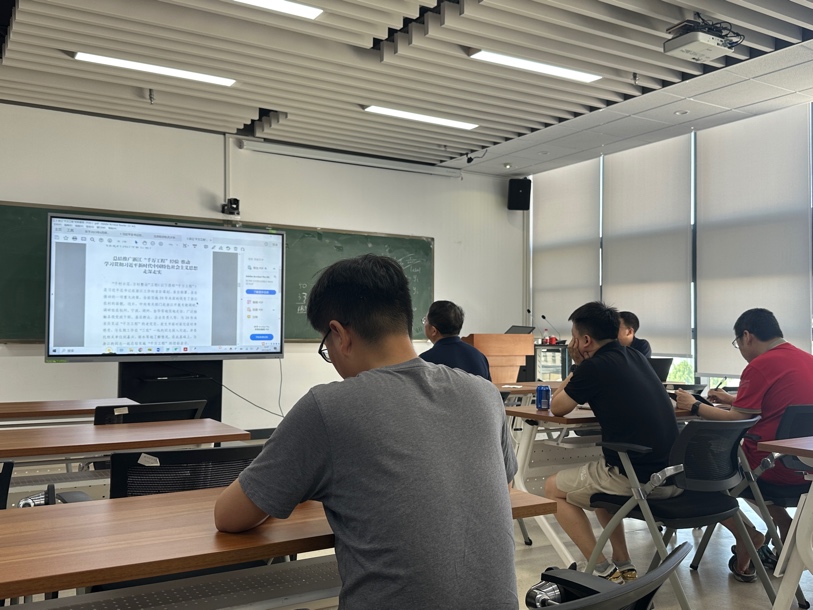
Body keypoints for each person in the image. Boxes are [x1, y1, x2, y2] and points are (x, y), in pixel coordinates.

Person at [214, 254, 518, 609]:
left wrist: (293, 485)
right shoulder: (484, 394)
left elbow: (228, 517)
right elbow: (499, 486)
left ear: (340, 334)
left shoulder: (328, 408)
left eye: (326, 346)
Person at [544, 302, 680, 583]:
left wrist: (578, 365)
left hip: (637, 479)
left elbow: (557, 407)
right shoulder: (636, 356)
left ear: (585, 341)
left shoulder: (593, 367)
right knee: (598, 488)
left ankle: (602, 569)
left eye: (573, 337)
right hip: (672, 476)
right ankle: (622, 561)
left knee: (551, 488)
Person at [675, 308, 813, 583]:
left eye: (737, 343)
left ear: (747, 336)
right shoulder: (806, 359)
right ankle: (783, 523)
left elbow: (736, 420)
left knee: (703, 470)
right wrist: (732, 400)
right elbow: (777, 407)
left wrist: (695, 406)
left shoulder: (761, 365)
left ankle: (748, 535)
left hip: (769, 466)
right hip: (804, 467)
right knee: (742, 467)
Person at [420, 300, 491, 380]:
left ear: (434, 331)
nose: (424, 324)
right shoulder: (480, 357)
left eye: (425, 320)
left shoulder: (425, 361)